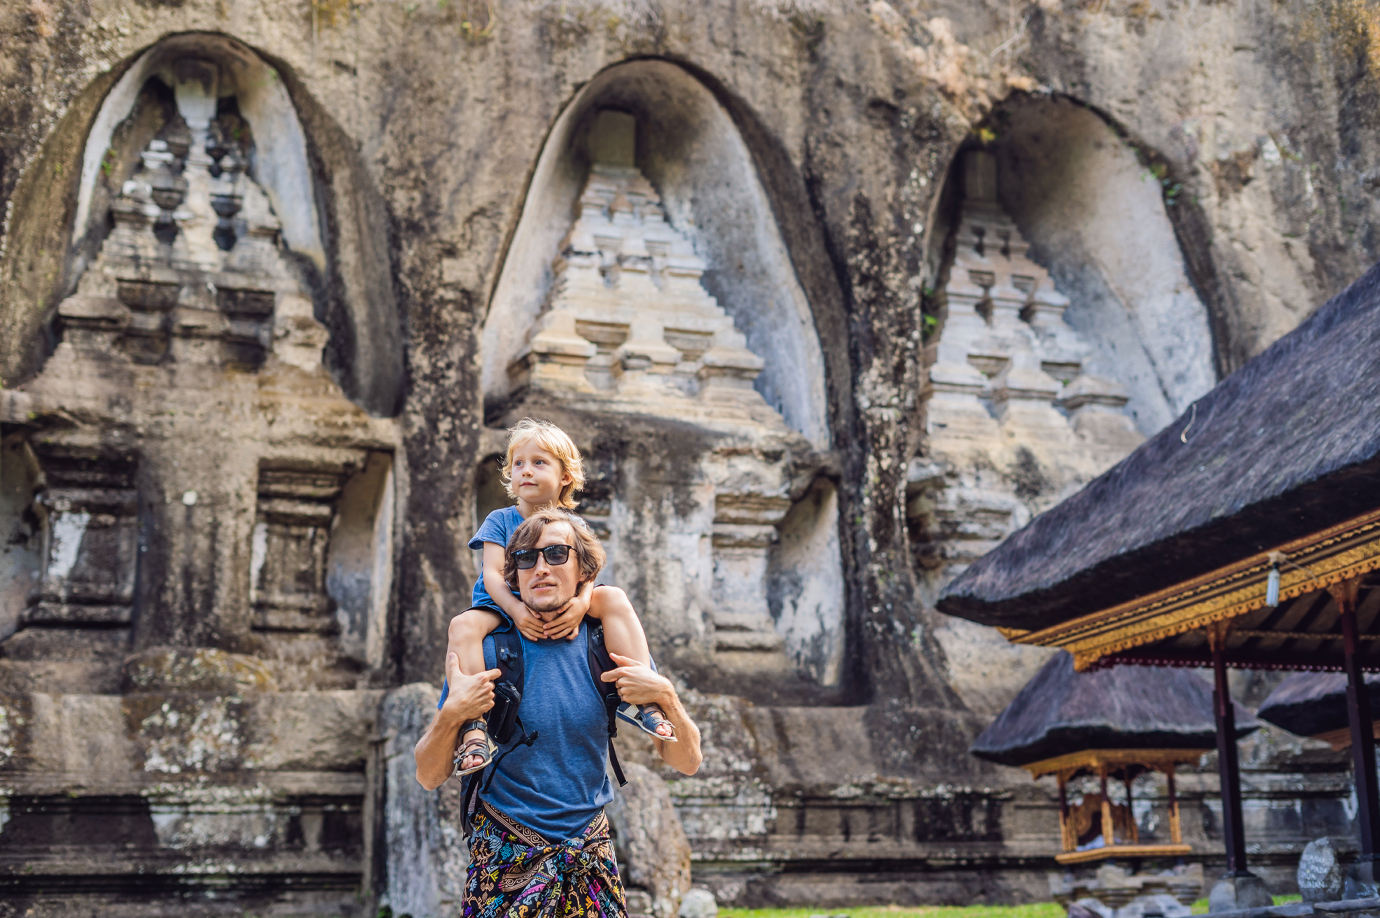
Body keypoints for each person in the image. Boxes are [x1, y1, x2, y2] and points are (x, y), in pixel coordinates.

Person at [414, 508, 702, 918]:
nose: (540, 568)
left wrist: (668, 698)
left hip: (590, 858)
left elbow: (687, 761)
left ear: (584, 570)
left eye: (555, 554)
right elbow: (428, 775)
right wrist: (451, 716)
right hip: (505, 857)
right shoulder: (488, 648)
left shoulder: (604, 645)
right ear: (512, 575)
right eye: (526, 559)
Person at [448, 418, 673, 777]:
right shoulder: (500, 519)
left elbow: (591, 570)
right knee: (463, 625)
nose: (526, 471)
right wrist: (516, 609)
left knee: (612, 597)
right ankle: (473, 724)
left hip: (564, 598)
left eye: (539, 463)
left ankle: (644, 698)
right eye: (518, 463)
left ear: (565, 476)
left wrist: (582, 604)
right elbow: (492, 574)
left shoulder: (575, 526)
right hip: (501, 603)